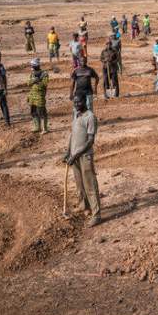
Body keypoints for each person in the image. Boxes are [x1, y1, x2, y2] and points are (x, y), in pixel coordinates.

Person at [64, 96, 101, 227]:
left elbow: (90, 141)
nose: (76, 104)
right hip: (74, 156)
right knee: (80, 184)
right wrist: (68, 152)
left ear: (84, 101)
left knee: (90, 184)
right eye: (74, 102)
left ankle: (96, 214)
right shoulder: (76, 115)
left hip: (85, 156)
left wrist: (76, 154)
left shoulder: (90, 117)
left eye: (78, 101)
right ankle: (84, 206)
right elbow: (72, 135)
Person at [26, 58, 50, 134]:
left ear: (37, 65)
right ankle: (37, 127)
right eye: (32, 65)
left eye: (33, 65)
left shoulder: (44, 74)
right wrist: (34, 80)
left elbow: (44, 84)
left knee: (42, 113)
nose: (32, 67)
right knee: (33, 112)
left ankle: (45, 128)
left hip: (40, 96)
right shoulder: (32, 73)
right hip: (32, 96)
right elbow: (28, 83)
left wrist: (37, 80)